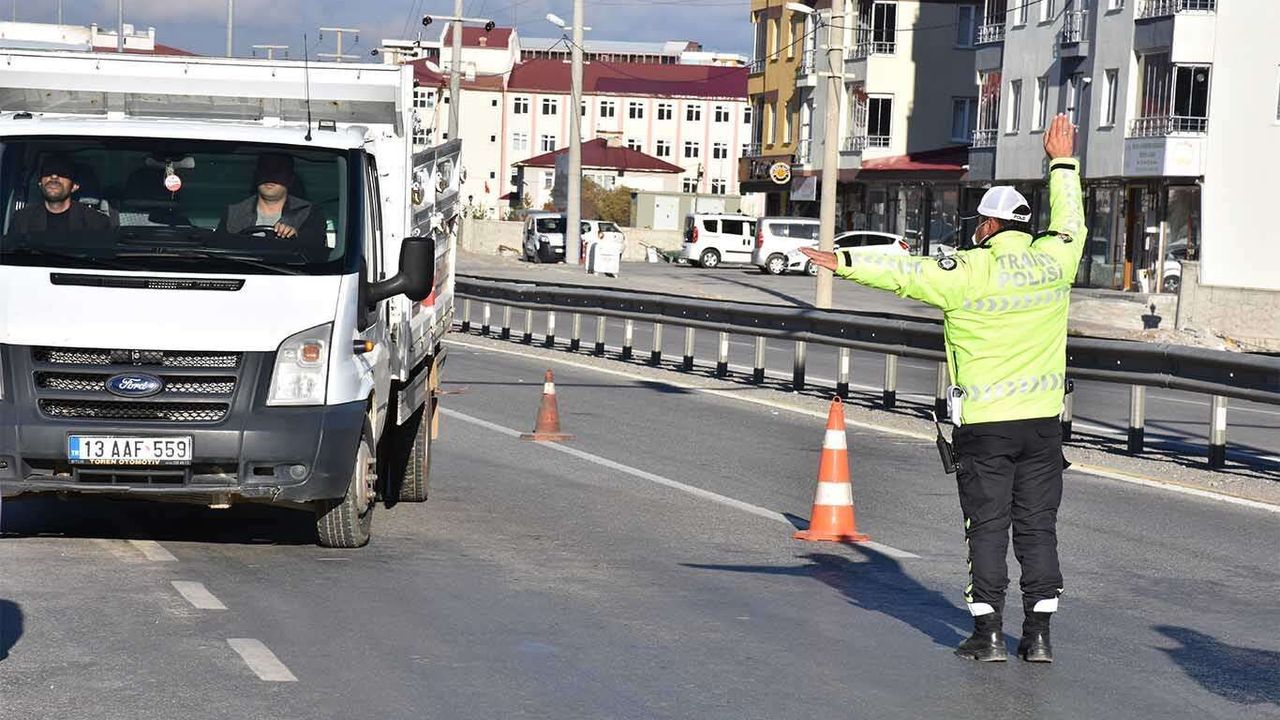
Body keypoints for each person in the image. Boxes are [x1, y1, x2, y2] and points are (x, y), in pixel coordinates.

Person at [800, 114, 1085, 664]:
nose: (976, 228)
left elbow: (906, 272)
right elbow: (1070, 218)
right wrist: (1062, 162)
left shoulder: (968, 270)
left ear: (989, 226)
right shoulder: (1057, 261)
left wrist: (846, 260)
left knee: (987, 526)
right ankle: (1041, 635)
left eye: (980, 221)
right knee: (1037, 528)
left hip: (985, 427)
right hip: (1044, 425)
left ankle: (988, 634)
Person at [217, 153, 325, 240]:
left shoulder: (310, 213)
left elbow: (317, 249)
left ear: (290, 178)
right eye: (265, 169)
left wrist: (297, 237)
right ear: (257, 175)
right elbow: (218, 247)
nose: (270, 176)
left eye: (278, 171)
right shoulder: (233, 213)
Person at [8, 154, 112, 234]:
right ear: (40, 184)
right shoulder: (22, 221)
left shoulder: (96, 223)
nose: (54, 177)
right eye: (48, 172)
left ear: (74, 187)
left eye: (63, 173)